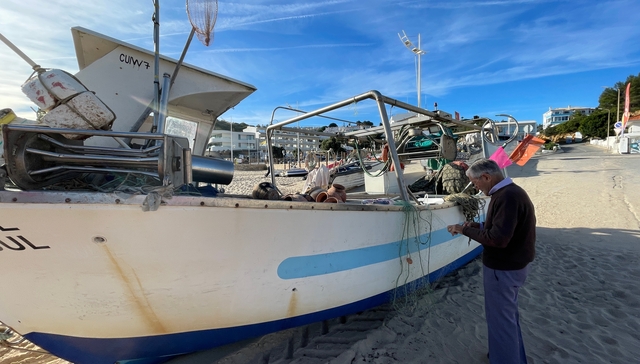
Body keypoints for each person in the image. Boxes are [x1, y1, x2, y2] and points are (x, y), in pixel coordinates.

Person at [447, 158, 536, 364]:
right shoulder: (511, 193)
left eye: (475, 182)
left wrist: (464, 229)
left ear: (486, 177)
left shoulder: (507, 197)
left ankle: (505, 359)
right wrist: (478, 226)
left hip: (503, 268)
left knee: (501, 320)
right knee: (507, 317)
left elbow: (498, 239)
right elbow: (502, 227)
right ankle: (507, 355)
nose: (475, 187)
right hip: (513, 266)